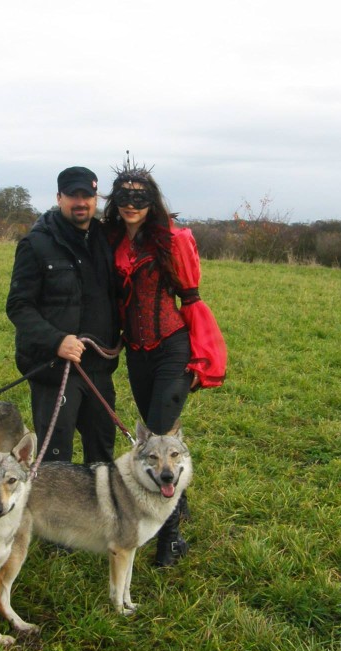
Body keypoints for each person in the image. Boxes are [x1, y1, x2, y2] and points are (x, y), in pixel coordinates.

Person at [103, 159, 227, 566]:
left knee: (158, 436)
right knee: (156, 437)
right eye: (123, 197)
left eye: (139, 198)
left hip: (171, 346)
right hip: (136, 352)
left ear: (151, 201)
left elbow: (189, 296)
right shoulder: (112, 239)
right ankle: (179, 497)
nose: (130, 204)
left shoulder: (172, 239)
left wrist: (201, 353)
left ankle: (170, 538)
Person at [6, 166, 120, 465]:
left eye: (87, 195)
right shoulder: (36, 244)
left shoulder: (107, 241)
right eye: (73, 195)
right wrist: (57, 341)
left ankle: (99, 511)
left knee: (102, 452)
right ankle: (55, 512)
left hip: (98, 367)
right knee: (56, 460)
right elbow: (19, 306)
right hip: (54, 368)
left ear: (96, 199)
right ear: (59, 198)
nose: (81, 202)